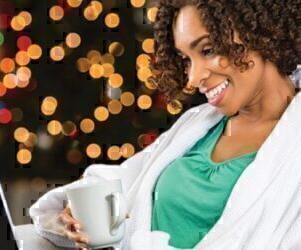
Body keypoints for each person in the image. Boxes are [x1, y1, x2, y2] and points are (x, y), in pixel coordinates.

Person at [28, 0, 301, 249]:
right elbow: (120, 182)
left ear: (261, 31)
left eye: (207, 49)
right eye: (185, 59)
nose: (193, 78)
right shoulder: (198, 124)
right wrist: (71, 214)